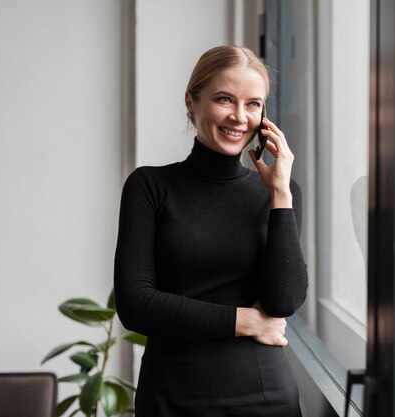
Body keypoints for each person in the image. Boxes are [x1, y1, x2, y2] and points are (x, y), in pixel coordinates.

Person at [114, 45, 308, 417]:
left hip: (266, 398)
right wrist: (246, 321)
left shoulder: (279, 194)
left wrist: (280, 193)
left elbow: (284, 301)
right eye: (224, 99)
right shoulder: (149, 186)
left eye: (253, 104)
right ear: (191, 101)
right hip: (172, 397)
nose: (239, 117)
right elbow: (135, 304)